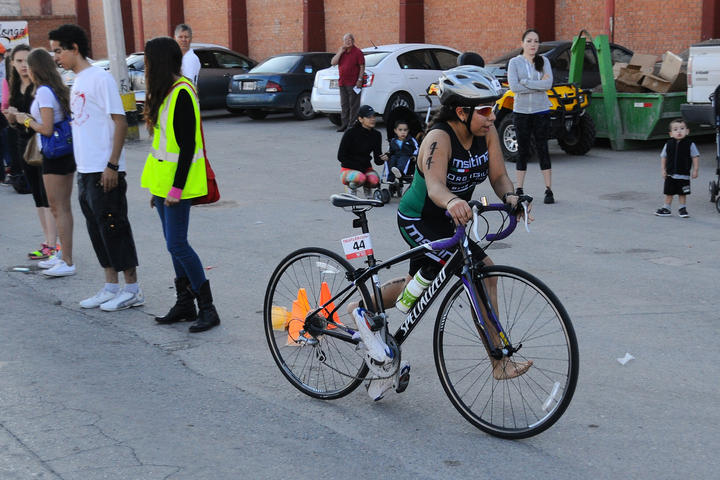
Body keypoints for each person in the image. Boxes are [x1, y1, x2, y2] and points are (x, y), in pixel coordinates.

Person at [356, 66, 534, 401]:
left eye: (494, 108)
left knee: (429, 285)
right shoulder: (439, 138)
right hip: (419, 217)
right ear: (461, 111)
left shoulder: (486, 133)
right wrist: (452, 200)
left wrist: (512, 197)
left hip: (453, 220)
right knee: (473, 275)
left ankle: (361, 310)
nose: (492, 116)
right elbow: (435, 185)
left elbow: (499, 177)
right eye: (485, 110)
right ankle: (498, 360)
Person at [49, 24, 143, 311]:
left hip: (105, 170)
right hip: (86, 169)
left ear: (75, 47)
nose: (56, 57)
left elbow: (120, 121)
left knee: (115, 227)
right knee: (97, 229)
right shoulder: (77, 80)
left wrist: (112, 165)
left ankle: (132, 289)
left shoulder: (100, 79)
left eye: (59, 51)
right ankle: (110, 286)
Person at [140, 36, 220, 333]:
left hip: (178, 186)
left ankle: (208, 308)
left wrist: (175, 189)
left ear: (158, 62)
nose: (145, 66)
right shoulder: (165, 92)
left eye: (148, 60)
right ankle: (185, 303)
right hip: (162, 184)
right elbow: (163, 147)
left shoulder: (182, 92)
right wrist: (157, 189)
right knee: (173, 246)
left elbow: (187, 148)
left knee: (178, 244)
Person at [14, 48, 76, 276]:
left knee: (58, 208)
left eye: (28, 65)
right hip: (62, 153)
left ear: (35, 69)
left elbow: (47, 128)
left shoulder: (43, 92)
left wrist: (25, 120)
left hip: (54, 154)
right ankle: (62, 256)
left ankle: (67, 260)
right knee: (61, 208)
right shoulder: (53, 89)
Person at [1, 44, 58, 258]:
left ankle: (54, 244)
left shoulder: (40, 87)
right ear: (12, 64)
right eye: (19, 61)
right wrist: (11, 117)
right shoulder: (14, 86)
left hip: (43, 144)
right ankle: (47, 242)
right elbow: (14, 123)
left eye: (27, 61)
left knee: (47, 195)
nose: (23, 65)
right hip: (23, 143)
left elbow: (46, 119)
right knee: (36, 195)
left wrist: (23, 118)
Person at [507, 28, 555, 204]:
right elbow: (514, 87)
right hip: (521, 113)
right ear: (522, 43)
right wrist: (537, 85)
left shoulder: (544, 61)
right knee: (523, 150)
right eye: (529, 41)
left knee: (543, 149)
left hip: (541, 111)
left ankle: (548, 189)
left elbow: (548, 84)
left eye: (536, 41)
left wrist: (526, 82)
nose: (533, 44)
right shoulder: (514, 62)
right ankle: (519, 188)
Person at [337, 104, 387, 197]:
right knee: (360, 177)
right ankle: (351, 188)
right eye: (369, 117)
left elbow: (377, 160)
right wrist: (358, 168)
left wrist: (384, 158)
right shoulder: (350, 133)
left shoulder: (376, 135)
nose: (372, 119)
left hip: (365, 168)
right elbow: (341, 156)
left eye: (373, 117)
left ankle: (367, 188)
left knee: (375, 181)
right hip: (348, 169)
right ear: (360, 119)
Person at [654, 118, 700, 218]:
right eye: (675, 129)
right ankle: (666, 208)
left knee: (682, 193)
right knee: (669, 192)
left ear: (687, 131)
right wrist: (663, 170)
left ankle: (682, 209)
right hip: (670, 174)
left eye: (682, 128)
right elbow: (664, 157)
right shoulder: (668, 144)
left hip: (684, 174)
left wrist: (695, 170)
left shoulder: (690, 144)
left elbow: (695, 156)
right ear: (671, 134)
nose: (679, 131)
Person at [330, 33, 364, 132]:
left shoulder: (358, 52)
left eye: (349, 40)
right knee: (344, 105)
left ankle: (352, 125)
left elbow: (362, 67)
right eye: (346, 40)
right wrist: (340, 52)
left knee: (354, 105)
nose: (348, 42)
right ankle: (344, 124)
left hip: (354, 83)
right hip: (342, 83)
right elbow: (333, 63)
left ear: (353, 41)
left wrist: (360, 80)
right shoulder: (342, 52)